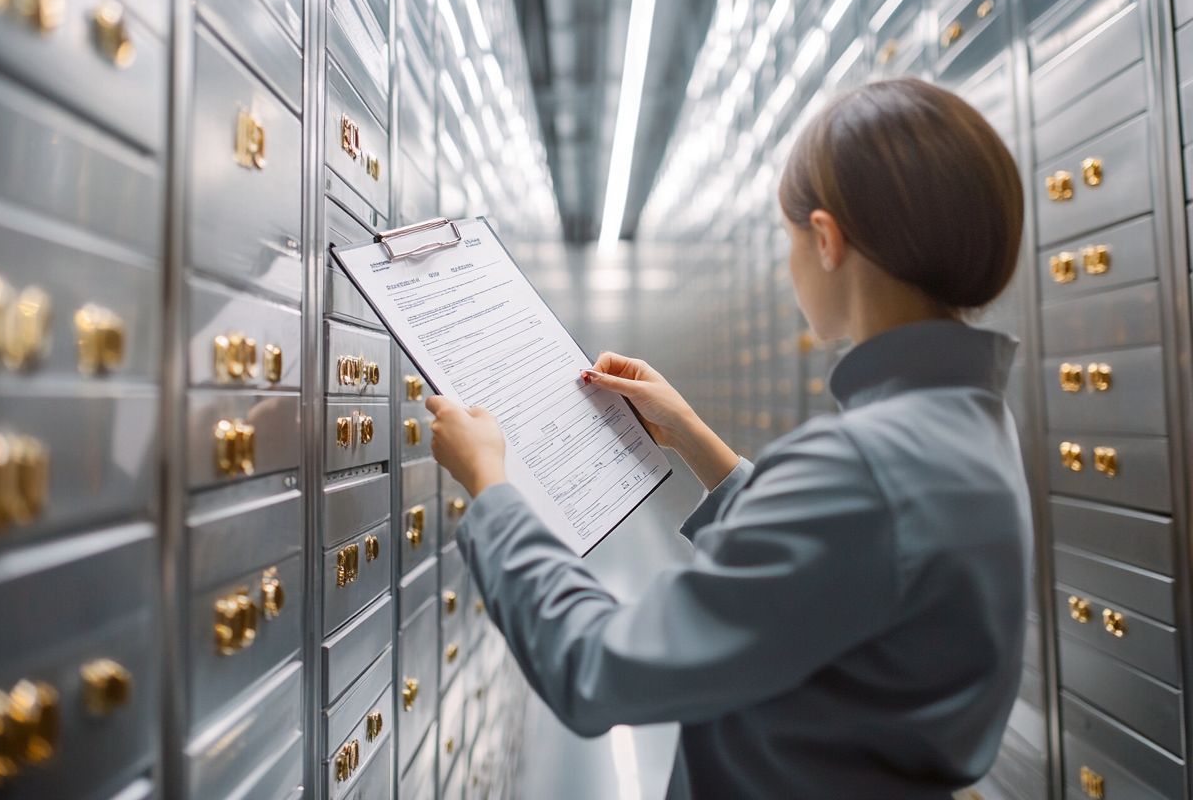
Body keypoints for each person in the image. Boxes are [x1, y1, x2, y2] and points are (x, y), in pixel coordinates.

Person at [424, 76, 1031, 799]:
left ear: (828, 240)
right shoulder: (969, 420)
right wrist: (697, 442)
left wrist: (493, 492)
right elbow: (850, 569)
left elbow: (598, 669)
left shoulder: (865, 467)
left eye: (790, 238)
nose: (789, 262)